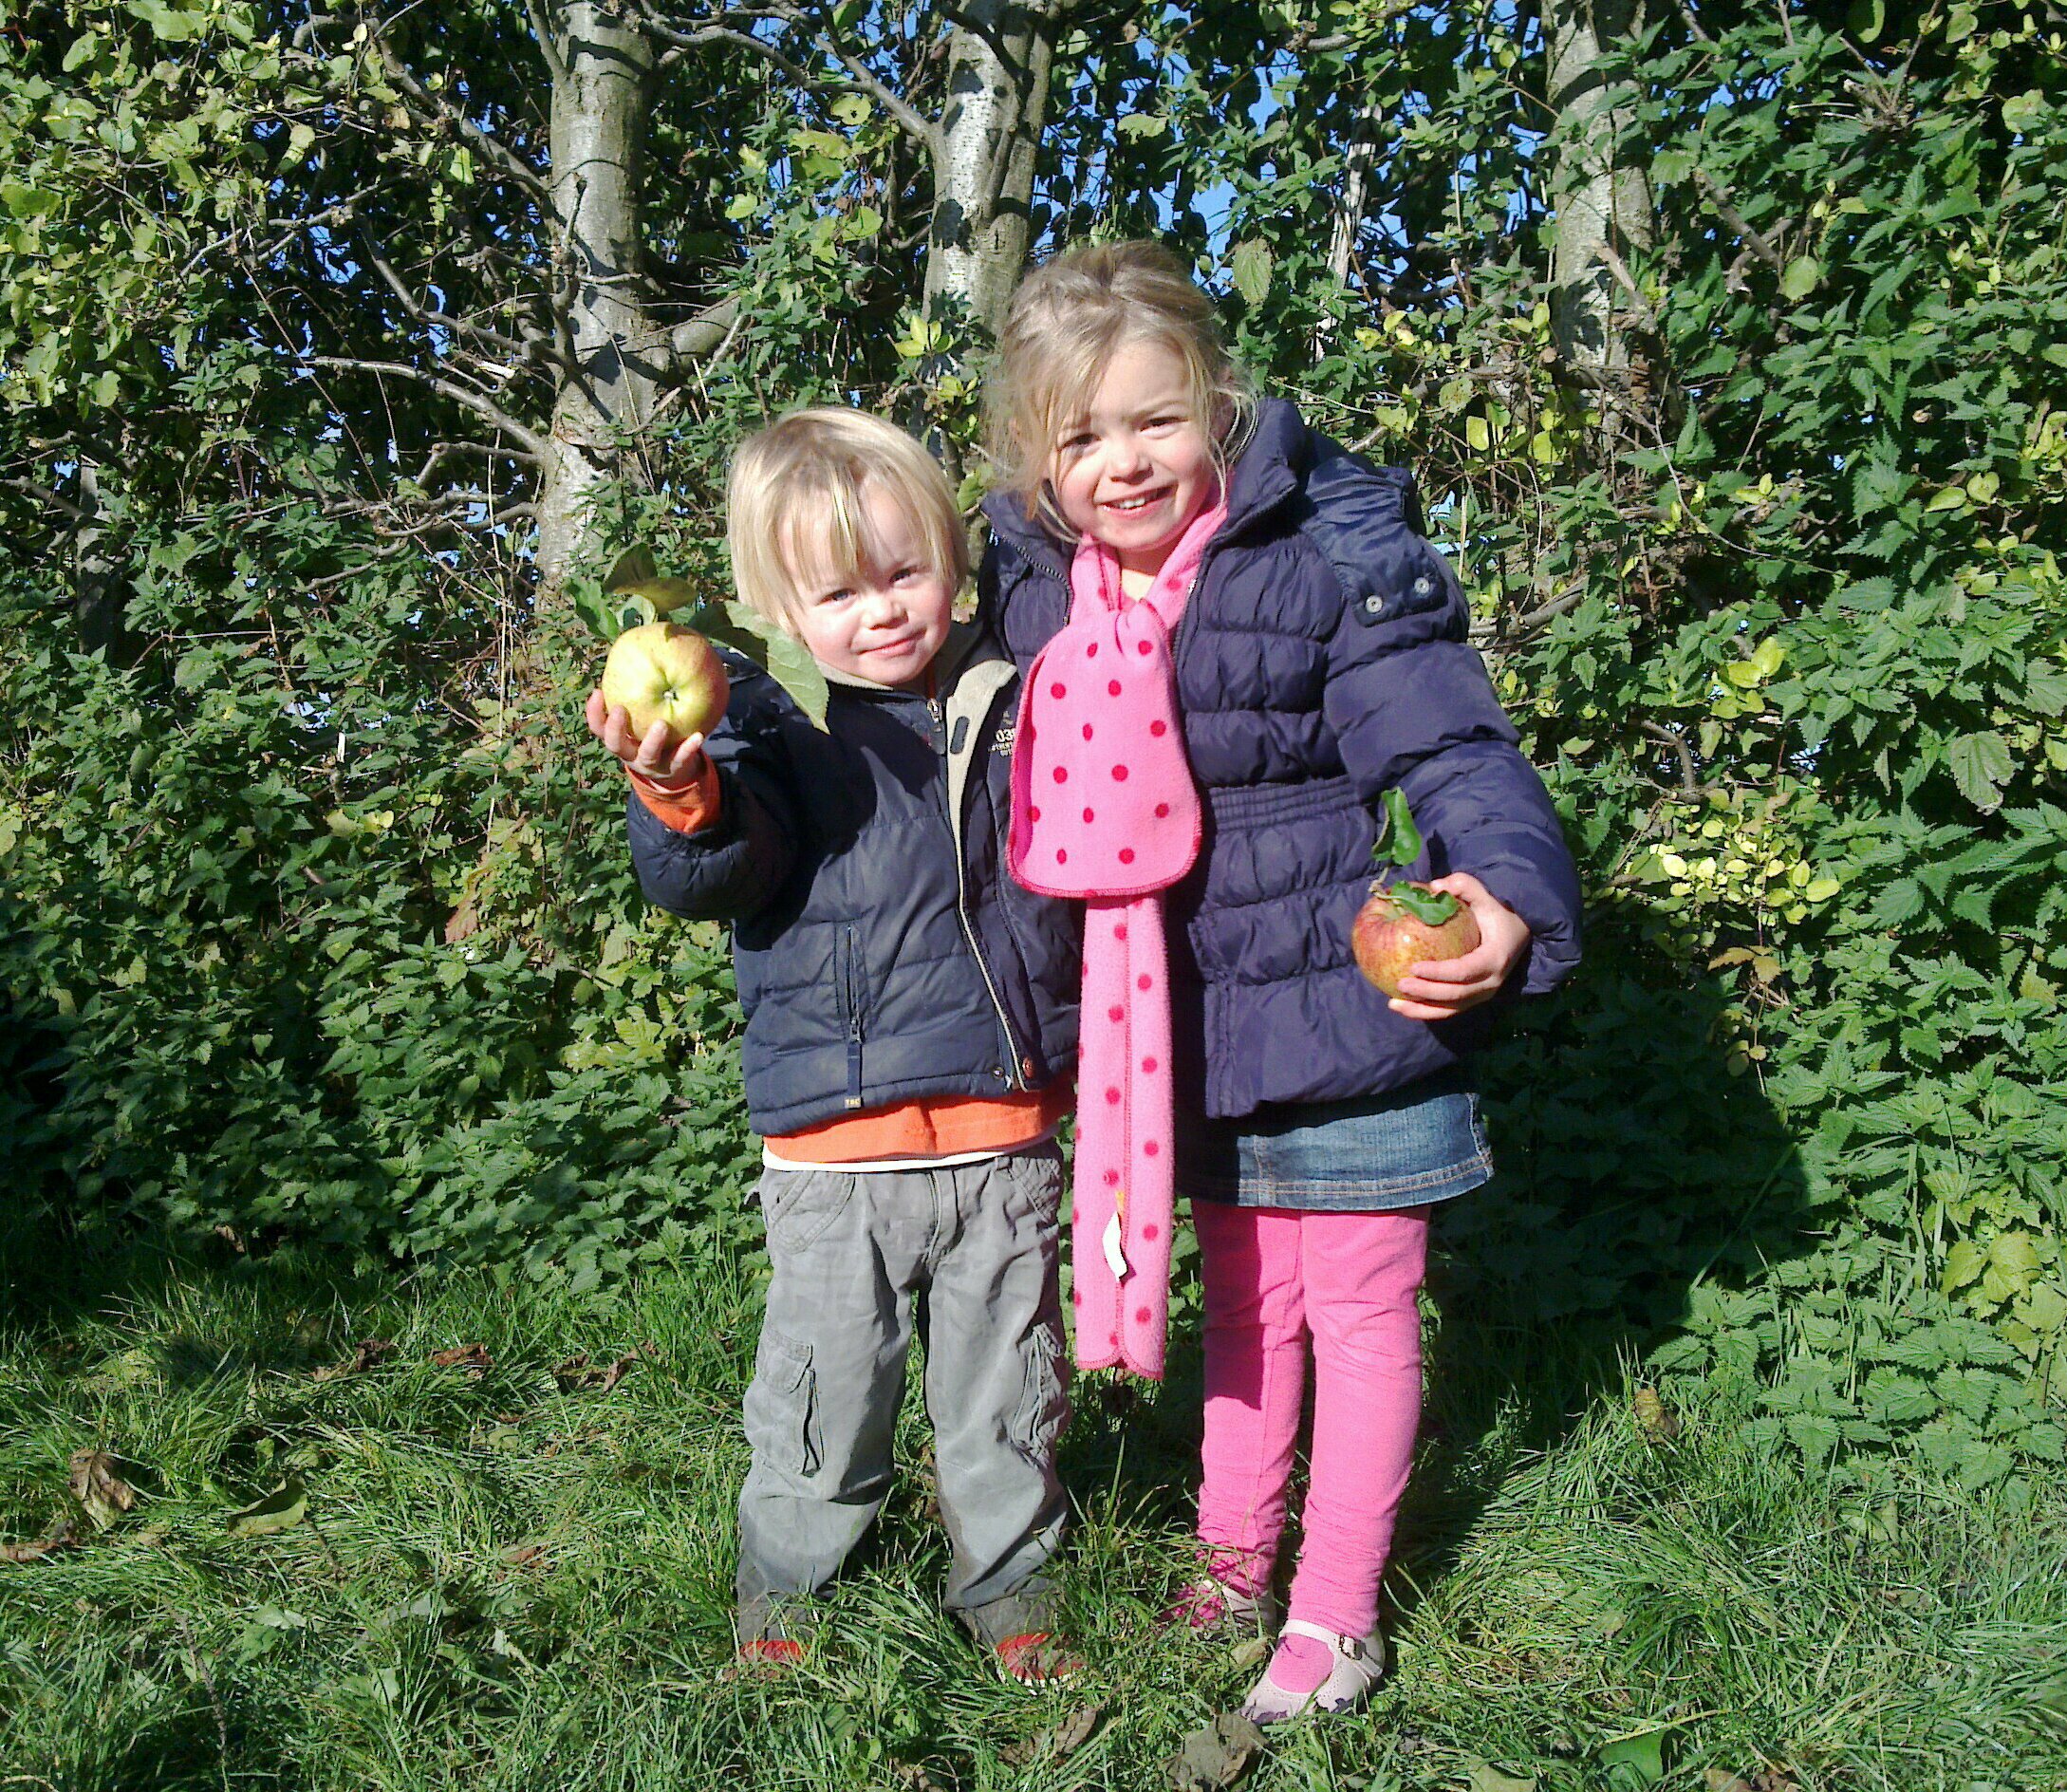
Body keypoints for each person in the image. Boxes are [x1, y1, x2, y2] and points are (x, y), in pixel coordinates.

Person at [979, 241, 1581, 1721]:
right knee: (1246, 1308)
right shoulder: (1029, 592)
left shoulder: (1321, 551)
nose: (1124, 462)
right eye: (1081, 436)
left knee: (1362, 1313)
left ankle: (1335, 1613)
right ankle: (1232, 1567)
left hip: (1343, 1002)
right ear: (1034, 454)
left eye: (1155, 418)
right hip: (1173, 1024)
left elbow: (1447, 741)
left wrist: (1503, 892)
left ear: (1216, 402)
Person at [586, 407, 1081, 1682]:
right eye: (839, 593)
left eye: (905, 571)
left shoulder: (1009, 683)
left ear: (950, 556)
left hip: (1001, 1122)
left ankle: (1011, 1581)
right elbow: (717, 873)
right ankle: (791, 1582)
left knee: (1005, 1386)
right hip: (834, 1147)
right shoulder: (760, 720)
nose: (881, 611)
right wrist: (678, 791)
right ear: (775, 607)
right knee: (824, 1386)